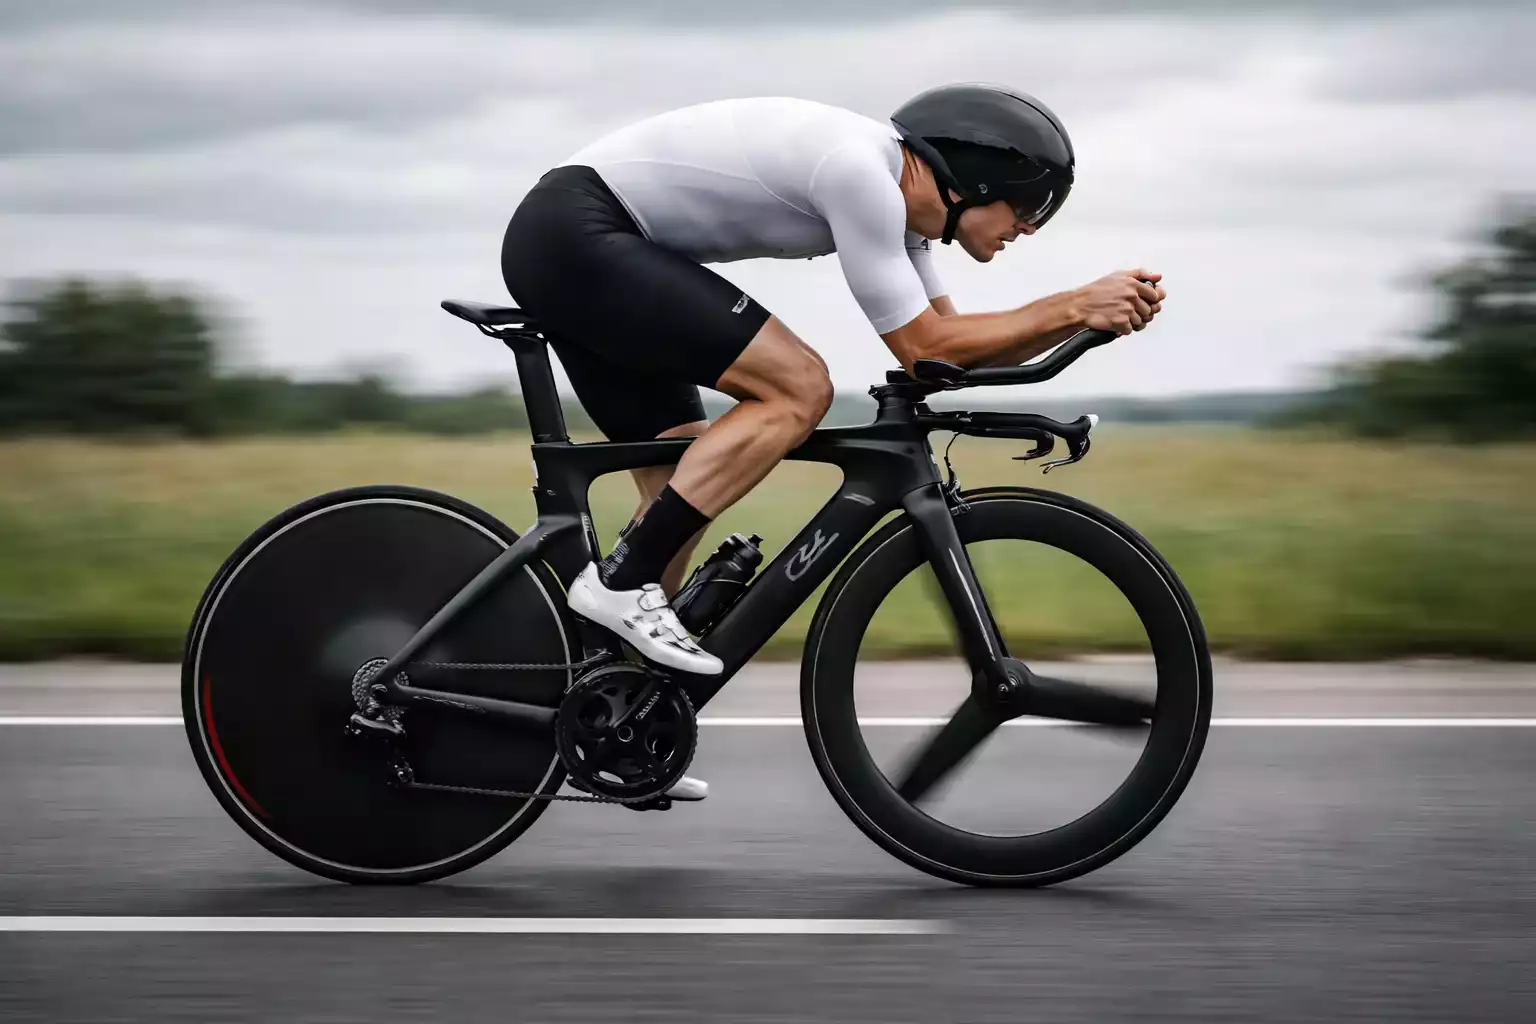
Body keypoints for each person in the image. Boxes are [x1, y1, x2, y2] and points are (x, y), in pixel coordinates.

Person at [501, 84, 1164, 800]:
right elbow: (925, 346)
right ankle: (622, 581)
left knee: (682, 473)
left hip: (587, 241)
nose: (1028, 229)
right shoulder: (861, 173)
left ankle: (614, 724)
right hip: (578, 233)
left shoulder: (904, 215)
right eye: (1029, 209)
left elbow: (948, 356)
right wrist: (1070, 302)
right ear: (978, 181)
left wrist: (1084, 320)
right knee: (799, 386)